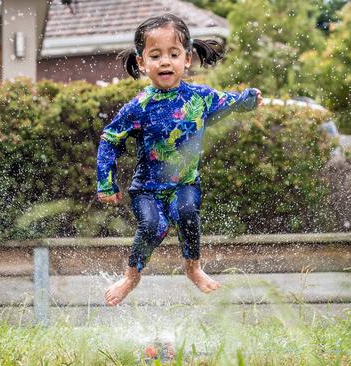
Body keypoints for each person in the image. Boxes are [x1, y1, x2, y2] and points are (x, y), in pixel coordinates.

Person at [96, 13, 264, 306]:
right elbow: (110, 139)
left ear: (187, 59)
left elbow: (229, 102)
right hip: (146, 190)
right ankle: (131, 277)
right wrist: (106, 182)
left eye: (173, 54)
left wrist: (248, 99)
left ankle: (193, 268)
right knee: (153, 227)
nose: (165, 62)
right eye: (156, 55)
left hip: (185, 184)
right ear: (141, 63)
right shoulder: (138, 107)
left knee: (186, 211)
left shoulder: (199, 98)